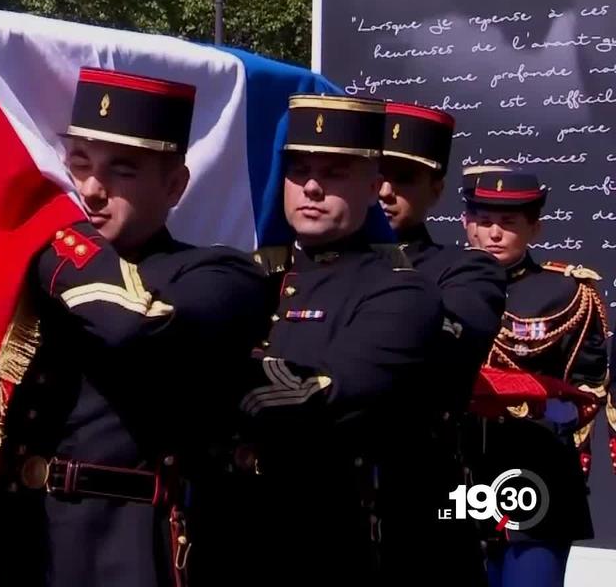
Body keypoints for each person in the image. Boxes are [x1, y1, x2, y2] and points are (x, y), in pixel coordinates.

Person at [0, 66, 270, 587]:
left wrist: (50, 232)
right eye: (79, 164)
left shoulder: (221, 275)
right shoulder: (31, 271)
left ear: (176, 184)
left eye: (123, 171)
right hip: (12, 534)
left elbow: (131, 326)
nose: (92, 190)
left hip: (121, 542)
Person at [201, 94, 446, 585]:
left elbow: (326, 394)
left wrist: (203, 376)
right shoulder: (249, 275)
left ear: (374, 186)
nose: (311, 186)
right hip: (221, 533)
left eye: (334, 172)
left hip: (323, 538)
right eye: (298, 170)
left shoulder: (399, 290)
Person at [377, 101, 508, 584]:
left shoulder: (465, 270)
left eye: (405, 179)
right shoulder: (297, 266)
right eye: (375, 176)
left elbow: (449, 345)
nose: (386, 192)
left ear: (436, 191)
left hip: (420, 500)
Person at [460, 169, 610, 587]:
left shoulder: (566, 294)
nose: (493, 234)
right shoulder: (436, 284)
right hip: (456, 471)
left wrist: (537, 405)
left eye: (508, 223)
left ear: (535, 227)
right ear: (466, 222)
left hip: (537, 472)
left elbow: (588, 387)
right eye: (484, 221)